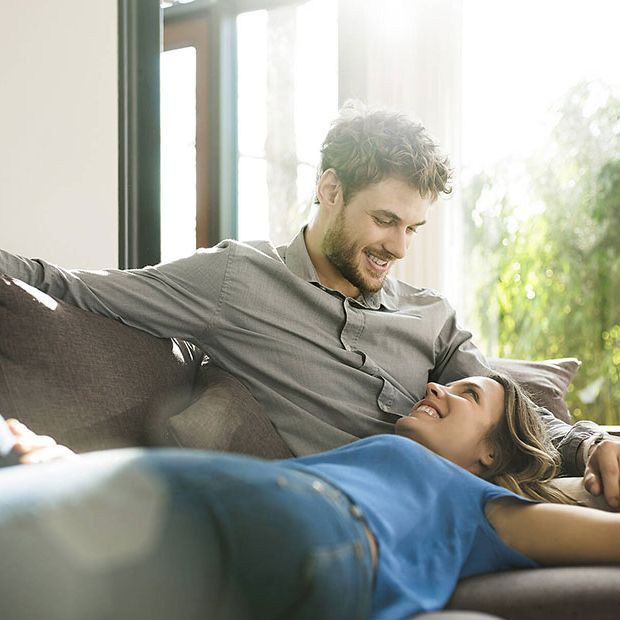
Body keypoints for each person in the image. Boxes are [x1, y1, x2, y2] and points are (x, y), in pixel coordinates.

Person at [1, 102, 618, 506]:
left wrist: (594, 445)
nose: (398, 247)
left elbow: (515, 422)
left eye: (412, 228)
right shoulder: (236, 282)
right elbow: (66, 284)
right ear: (329, 189)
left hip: (485, 494)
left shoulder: (434, 317)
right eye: (384, 221)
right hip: (366, 515)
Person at [1, 373, 618, 620]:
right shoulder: (399, 469)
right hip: (265, 519)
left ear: (492, 452)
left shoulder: (485, 508)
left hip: (303, 523)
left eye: (467, 394)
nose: (437, 386)